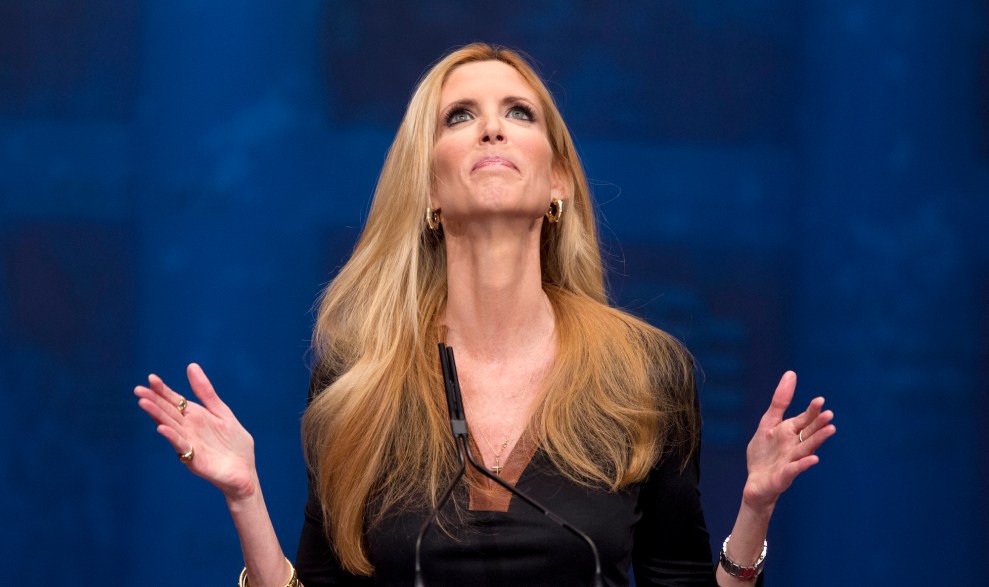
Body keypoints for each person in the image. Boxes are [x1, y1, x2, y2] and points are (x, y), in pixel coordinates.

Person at [135, 43, 835, 586]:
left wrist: (754, 511)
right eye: (460, 116)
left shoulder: (645, 372)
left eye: (519, 113)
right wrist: (245, 497)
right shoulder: (358, 379)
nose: (492, 129)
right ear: (429, 189)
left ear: (557, 183)